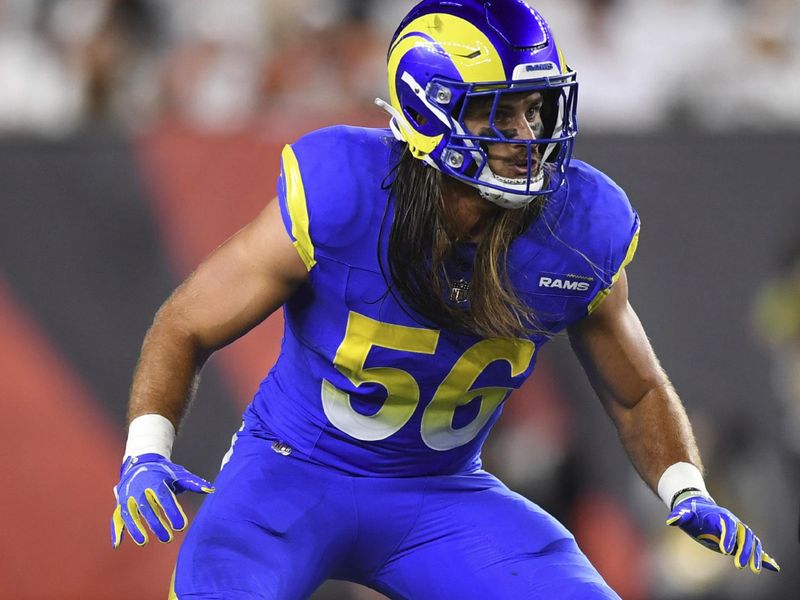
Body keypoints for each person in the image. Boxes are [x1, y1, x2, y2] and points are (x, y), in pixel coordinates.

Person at [110, 1, 779, 598]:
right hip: (290, 477)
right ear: (430, 112)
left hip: (440, 494)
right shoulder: (343, 193)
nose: (526, 134)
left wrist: (684, 485)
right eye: (498, 110)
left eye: (535, 107)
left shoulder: (579, 225)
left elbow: (635, 391)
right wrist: (147, 447)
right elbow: (186, 324)